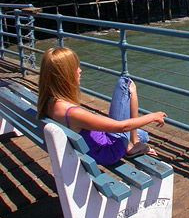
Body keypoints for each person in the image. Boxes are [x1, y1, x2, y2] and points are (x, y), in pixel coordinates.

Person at [37, 47, 166, 165]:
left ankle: (136, 140)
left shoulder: (49, 103)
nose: (80, 70)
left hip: (94, 145)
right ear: (66, 75)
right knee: (125, 83)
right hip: (109, 151)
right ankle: (132, 146)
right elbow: (122, 127)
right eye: (76, 67)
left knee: (143, 134)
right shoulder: (71, 112)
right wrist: (153, 116)